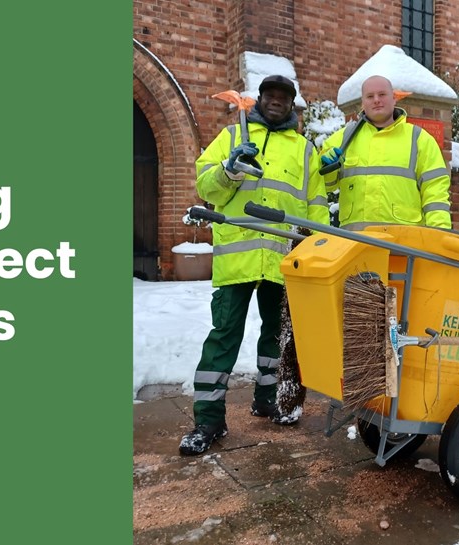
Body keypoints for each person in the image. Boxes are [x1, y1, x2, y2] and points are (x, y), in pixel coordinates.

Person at [179, 75, 329, 456]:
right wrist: (229, 170)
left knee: (276, 336)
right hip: (238, 257)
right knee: (224, 334)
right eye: (270, 95)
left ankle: (269, 400)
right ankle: (208, 420)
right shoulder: (232, 136)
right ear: (260, 99)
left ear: (292, 104)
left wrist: (316, 251)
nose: (276, 101)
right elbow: (205, 186)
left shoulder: (305, 150)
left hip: (283, 259)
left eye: (283, 97)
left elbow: (315, 207)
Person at [320, 75, 452, 229]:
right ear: (363, 103)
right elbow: (322, 186)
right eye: (370, 96)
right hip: (355, 242)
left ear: (394, 98)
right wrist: (325, 165)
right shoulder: (344, 138)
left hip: (402, 244)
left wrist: (439, 234)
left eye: (382, 94)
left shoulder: (419, 139)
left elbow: (435, 191)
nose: (376, 100)